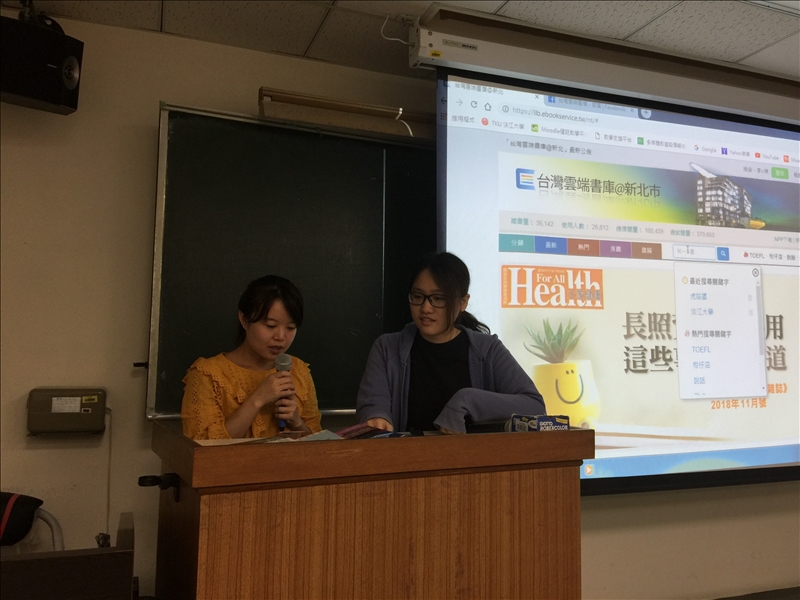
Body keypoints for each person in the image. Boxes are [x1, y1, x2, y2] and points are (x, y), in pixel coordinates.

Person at [356, 252, 545, 434]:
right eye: (418, 297)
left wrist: (468, 400)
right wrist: (376, 418)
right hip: (407, 455)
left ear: (463, 302)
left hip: (473, 456)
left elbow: (534, 406)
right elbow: (373, 405)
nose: (426, 308)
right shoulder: (387, 348)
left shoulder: (487, 350)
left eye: (438, 298)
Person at [181, 275, 322, 440]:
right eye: (270, 326)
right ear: (244, 319)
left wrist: (296, 421)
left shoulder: (299, 371)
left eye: (291, 327)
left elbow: (320, 446)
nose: (280, 337)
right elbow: (201, 447)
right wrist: (257, 399)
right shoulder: (207, 375)